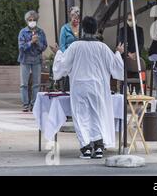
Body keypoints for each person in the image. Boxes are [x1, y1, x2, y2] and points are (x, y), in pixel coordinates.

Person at [52, 16, 124, 159]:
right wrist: (118, 53)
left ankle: (85, 147)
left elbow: (63, 66)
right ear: (96, 29)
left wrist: (59, 52)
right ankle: (98, 147)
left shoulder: (75, 46)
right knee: (97, 115)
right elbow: (116, 68)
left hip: (79, 86)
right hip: (97, 86)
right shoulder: (102, 47)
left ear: (83, 29)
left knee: (80, 116)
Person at [18, 10, 48, 112]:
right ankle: (25, 105)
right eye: (30, 20)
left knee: (36, 84)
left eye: (33, 20)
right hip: (25, 60)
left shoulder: (41, 32)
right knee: (24, 84)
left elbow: (44, 46)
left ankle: (34, 104)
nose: (32, 21)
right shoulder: (23, 32)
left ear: (36, 20)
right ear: (26, 21)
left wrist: (37, 42)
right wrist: (31, 42)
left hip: (36, 60)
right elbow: (21, 47)